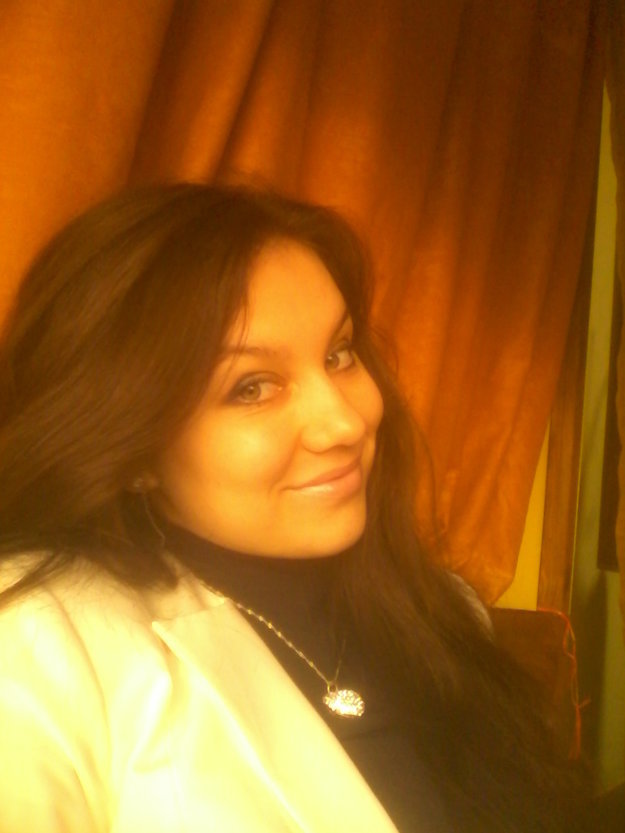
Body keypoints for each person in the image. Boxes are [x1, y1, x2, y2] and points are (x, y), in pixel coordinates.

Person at [0, 183, 587, 832]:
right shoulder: (36, 643)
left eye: (339, 354)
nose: (345, 422)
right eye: (251, 387)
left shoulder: (440, 610)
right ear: (131, 442)